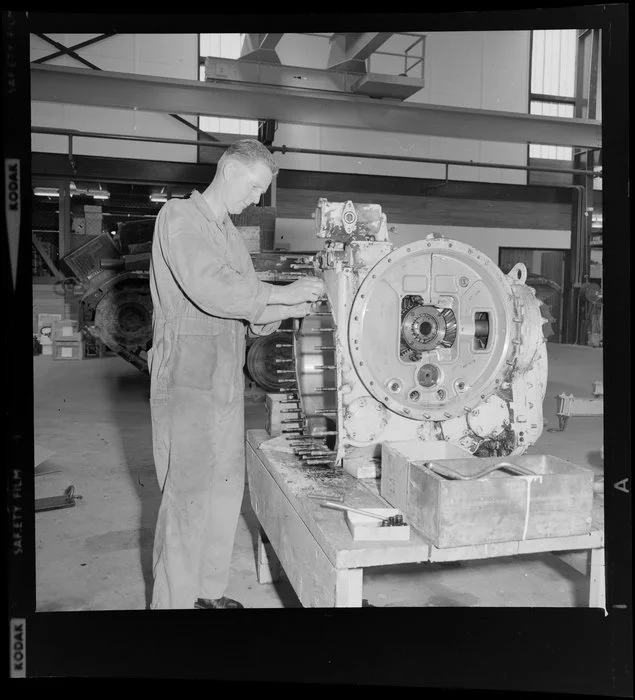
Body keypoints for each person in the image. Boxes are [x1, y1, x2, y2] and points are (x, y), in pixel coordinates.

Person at [147, 139, 324, 609]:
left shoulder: (227, 232)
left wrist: (300, 305)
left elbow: (250, 305)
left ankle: (206, 594)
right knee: (186, 495)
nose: (256, 200)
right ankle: (171, 607)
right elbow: (214, 291)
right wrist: (283, 295)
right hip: (186, 368)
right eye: (253, 187)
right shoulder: (179, 218)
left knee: (225, 487)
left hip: (225, 372)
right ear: (228, 171)